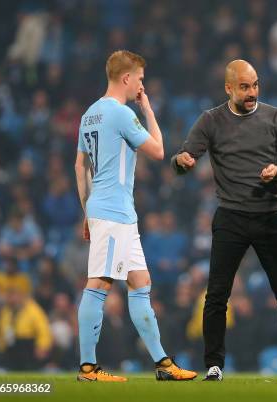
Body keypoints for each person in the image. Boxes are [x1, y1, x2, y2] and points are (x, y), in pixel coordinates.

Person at [170, 60, 277, 381]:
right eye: (244, 86)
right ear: (228, 88)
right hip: (231, 217)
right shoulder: (211, 120)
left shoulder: (276, 118)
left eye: (255, 84)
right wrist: (182, 161)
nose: (252, 92)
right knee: (217, 294)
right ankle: (214, 365)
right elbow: (181, 159)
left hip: (271, 216)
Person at [74, 50, 197, 382]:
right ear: (126, 78)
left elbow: (80, 166)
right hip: (114, 212)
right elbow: (159, 149)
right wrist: (147, 108)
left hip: (112, 211)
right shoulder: (120, 113)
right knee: (99, 284)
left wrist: (87, 211)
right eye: (140, 79)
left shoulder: (90, 115)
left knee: (140, 283)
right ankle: (88, 368)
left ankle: (162, 363)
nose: (142, 85)